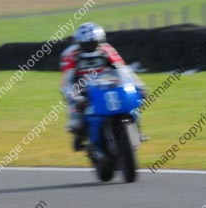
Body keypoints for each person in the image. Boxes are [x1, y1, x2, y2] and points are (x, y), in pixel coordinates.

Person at [60, 22, 146, 151]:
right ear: (79, 43)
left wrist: (139, 85)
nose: (91, 46)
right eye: (87, 44)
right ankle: (80, 135)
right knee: (76, 121)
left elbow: (124, 69)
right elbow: (66, 80)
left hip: (105, 82)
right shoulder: (71, 55)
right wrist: (75, 97)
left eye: (94, 42)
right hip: (81, 85)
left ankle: (136, 132)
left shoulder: (106, 49)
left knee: (130, 103)